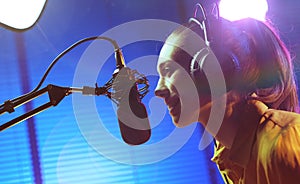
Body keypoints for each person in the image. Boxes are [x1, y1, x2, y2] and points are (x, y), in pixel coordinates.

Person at [154, 6, 300, 184]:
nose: (157, 90)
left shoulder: (284, 141)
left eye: (168, 71)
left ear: (215, 68)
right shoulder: (232, 162)